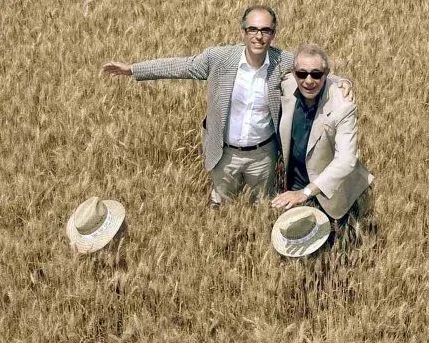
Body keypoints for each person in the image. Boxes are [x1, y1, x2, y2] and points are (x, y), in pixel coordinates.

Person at [100, 5, 353, 208]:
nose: (259, 36)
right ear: (242, 32)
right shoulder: (219, 58)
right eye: (252, 29)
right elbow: (180, 66)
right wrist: (133, 69)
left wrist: (341, 81)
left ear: (273, 34)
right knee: (221, 205)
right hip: (224, 153)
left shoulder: (282, 60)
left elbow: (313, 69)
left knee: (261, 206)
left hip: (263, 156)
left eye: (265, 30)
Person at [270, 43, 373, 238]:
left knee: (333, 249)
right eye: (302, 74)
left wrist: (306, 193)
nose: (309, 81)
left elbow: (346, 160)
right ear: (294, 73)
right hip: (293, 186)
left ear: (326, 74)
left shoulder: (342, 104)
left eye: (316, 74)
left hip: (329, 192)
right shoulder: (287, 84)